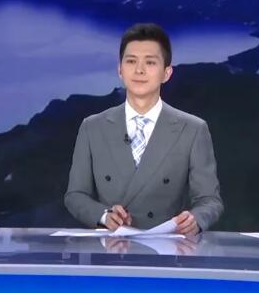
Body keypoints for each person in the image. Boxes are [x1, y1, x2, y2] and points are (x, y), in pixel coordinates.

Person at [64, 23, 222, 236]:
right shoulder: (92, 127)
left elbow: (209, 200)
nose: (139, 70)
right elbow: (75, 195)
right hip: (111, 248)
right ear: (120, 70)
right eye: (131, 61)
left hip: (166, 247)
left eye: (150, 62)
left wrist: (196, 219)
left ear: (166, 73)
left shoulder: (193, 129)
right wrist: (104, 216)